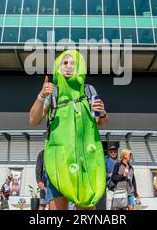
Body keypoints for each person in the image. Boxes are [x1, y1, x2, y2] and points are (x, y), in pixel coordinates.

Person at [29, 50, 109, 210]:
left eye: (74, 63)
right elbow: (33, 120)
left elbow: (101, 123)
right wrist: (42, 95)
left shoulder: (88, 91)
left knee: (85, 209)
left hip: (84, 162)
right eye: (65, 63)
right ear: (58, 67)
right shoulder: (53, 94)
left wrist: (103, 112)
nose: (69, 66)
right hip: (57, 161)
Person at [105, 145, 118, 210]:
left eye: (114, 152)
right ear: (109, 153)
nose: (113, 153)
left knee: (118, 206)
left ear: (117, 153)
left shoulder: (119, 162)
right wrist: (108, 175)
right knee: (109, 206)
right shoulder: (106, 161)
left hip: (119, 188)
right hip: (109, 188)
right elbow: (101, 174)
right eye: (111, 152)